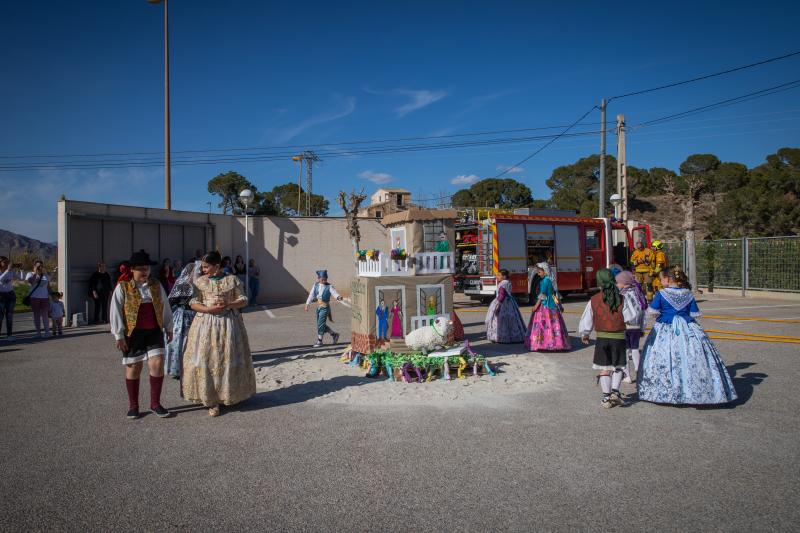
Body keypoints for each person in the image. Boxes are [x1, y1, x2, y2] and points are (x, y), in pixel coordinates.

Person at [638, 267, 737, 405]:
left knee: (665, 357)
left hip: (666, 328)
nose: (660, 281)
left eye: (661, 278)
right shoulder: (688, 293)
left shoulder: (662, 293)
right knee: (692, 357)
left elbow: (653, 312)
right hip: (688, 328)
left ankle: (667, 391)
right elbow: (693, 312)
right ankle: (694, 390)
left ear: (668, 279)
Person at [182, 251, 256, 417]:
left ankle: (228, 395)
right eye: (202, 266)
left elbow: (244, 299)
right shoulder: (200, 281)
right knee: (207, 359)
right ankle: (211, 400)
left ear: (217, 266)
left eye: (206, 266)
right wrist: (208, 309)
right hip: (205, 324)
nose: (203, 269)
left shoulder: (232, 280)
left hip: (228, 324)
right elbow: (193, 302)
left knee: (226, 358)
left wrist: (229, 303)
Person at [109, 250, 174, 420]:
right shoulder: (123, 287)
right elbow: (115, 311)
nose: (145, 271)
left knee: (158, 363)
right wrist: (119, 335)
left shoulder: (156, 284)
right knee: (134, 367)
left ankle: (155, 403)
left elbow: (164, 306)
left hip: (154, 330)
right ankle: (133, 405)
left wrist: (168, 327)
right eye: (141, 269)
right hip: (133, 333)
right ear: (132, 269)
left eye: (147, 268)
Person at [578, 268, 628, 408]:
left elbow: (587, 318)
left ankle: (606, 398)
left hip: (602, 338)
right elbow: (631, 316)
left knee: (605, 367)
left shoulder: (594, 300)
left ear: (599, 282)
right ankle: (615, 393)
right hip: (619, 337)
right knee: (618, 366)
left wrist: (585, 333)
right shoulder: (622, 298)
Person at [164, 261, 200, 380]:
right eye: (197, 272)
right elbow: (171, 301)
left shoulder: (201, 285)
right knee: (180, 342)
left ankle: (193, 368)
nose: (199, 274)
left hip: (197, 315)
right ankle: (178, 369)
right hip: (183, 316)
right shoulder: (182, 284)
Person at [524, 263, 570, 351]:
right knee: (554, 324)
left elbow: (543, 295)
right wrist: (559, 305)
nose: (538, 274)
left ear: (545, 272)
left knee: (544, 325)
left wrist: (536, 305)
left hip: (545, 305)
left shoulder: (545, 281)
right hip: (553, 306)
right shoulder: (551, 280)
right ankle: (556, 343)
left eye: (540, 272)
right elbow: (554, 295)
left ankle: (544, 343)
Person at [615, 270, 647, 383]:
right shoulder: (638, 294)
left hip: (625, 326)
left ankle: (627, 375)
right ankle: (638, 371)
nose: (617, 285)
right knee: (635, 349)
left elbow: (621, 312)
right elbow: (643, 312)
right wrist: (642, 327)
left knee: (624, 351)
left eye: (618, 282)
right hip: (636, 326)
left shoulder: (622, 295)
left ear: (624, 283)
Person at [485, 269, 527, 343]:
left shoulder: (502, 284)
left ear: (504, 276)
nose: (497, 277)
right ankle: (514, 336)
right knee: (511, 319)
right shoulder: (508, 282)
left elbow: (501, 295)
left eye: (499, 275)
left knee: (501, 320)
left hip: (503, 303)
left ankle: (501, 337)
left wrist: (497, 305)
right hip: (510, 302)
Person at [304, 269, 343, 347]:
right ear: (318, 279)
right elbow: (311, 295)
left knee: (320, 324)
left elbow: (334, 293)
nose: (324, 281)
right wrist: (307, 304)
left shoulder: (329, 286)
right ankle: (334, 334)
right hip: (319, 307)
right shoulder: (315, 285)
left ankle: (320, 341)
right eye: (322, 279)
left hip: (325, 308)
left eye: (325, 279)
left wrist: (338, 297)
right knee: (320, 324)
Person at [26, 260, 51, 338]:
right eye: (38, 266)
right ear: (34, 267)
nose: (40, 268)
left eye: (41, 266)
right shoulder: (30, 274)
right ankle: (38, 333)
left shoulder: (45, 275)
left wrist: (52, 294)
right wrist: (36, 273)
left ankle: (47, 332)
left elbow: (48, 286)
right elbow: (31, 282)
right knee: (36, 315)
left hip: (45, 298)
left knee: (45, 316)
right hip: (34, 297)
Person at [0, 256, 18, 341]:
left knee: (9, 316)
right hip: (1, 296)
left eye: (8, 262)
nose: (7, 264)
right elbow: (0, 279)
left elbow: (20, 277)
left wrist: (20, 269)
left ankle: (9, 335)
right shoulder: (5, 271)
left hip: (10, 295)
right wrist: (7, 270)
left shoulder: (10, 271)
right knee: (0, 316)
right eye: (5, 262)